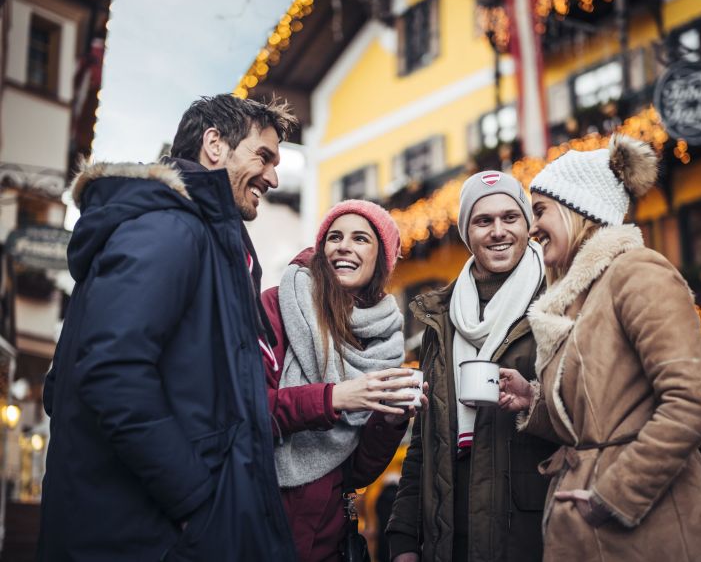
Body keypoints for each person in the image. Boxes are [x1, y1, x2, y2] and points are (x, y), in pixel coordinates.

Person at [39, 94, 299, 561]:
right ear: (214, 145)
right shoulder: (168, 230)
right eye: (263, 156)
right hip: (139, 537)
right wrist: (196, 501)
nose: (274, 177)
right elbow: (112, 373)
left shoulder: (207, 239)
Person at [499, 135, 701, 562]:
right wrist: (535, 402)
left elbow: (693, 401)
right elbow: (601, 415)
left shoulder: (636, 272)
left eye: (540, 210)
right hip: (598, 534)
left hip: (654, 530)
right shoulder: (579, 299)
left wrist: (612, 496)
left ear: (576, 206)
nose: (532, 227)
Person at [387, 171, 556, 562]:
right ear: (467, 232)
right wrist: (403, 537)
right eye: (483, 221)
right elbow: (423, 440)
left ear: (527, 225)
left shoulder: (556, 299)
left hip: (532, 535)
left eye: (509, 218)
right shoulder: (441, 316)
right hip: (450, 536)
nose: (498, 231)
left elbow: (590, 412)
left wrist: (533, 399)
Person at [261, 199, 427, 562]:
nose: (344, 247)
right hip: (259, 523)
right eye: (334, 237)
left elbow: (357, 471)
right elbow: (246, 408)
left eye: (360, 239)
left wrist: (391, 418)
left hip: (325, 541)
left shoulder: (383, 342)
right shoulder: (278, 304)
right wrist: (333, 398)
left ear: (381, 259)